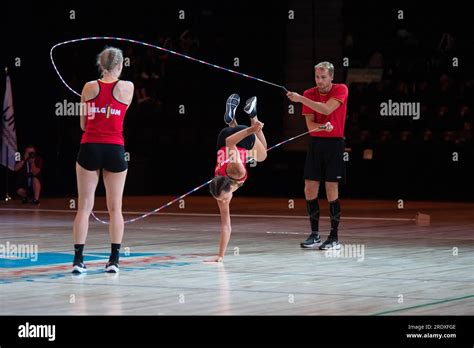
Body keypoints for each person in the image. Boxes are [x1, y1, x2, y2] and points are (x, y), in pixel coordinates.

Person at [72, 47, 134, 274]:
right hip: (115, 149)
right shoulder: (128, 88)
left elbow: (82, 125)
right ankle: (114, 261)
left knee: (84, 207)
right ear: (120, 65)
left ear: (100, 64)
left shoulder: (88, 87)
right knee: (115, 208)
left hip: (90, 147)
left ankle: (78, 261)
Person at [286, 61, 348, 250]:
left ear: (331, 77)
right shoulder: (308, 93)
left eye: (323, 77)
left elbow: (327, 109)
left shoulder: (341, 89)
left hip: (335, 144)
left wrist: (300, 100)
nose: (319, 81)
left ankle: (334, 237)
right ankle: (314, 235)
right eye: (317, 77)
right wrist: (321, 127)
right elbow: (311, 128)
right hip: (316, 144)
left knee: (331, 190)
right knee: (309, 189)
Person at [205, 94, 267, 262]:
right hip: (223, 138)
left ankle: (252, 114)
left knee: (262, 155)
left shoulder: (237, 172)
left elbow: (230, 143)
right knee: (243, 149)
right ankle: (231, 119)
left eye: (223, 198)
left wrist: (252, 129)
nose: (223, 202)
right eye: (220, 199)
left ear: (228, 185)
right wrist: (220, 256)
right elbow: (226, 225)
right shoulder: (219, 188)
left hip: (234, 138)